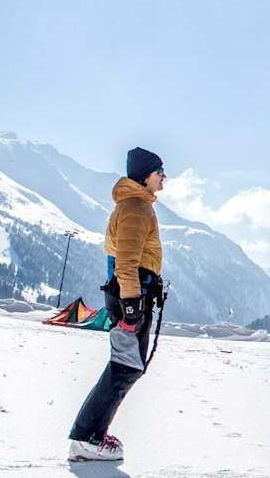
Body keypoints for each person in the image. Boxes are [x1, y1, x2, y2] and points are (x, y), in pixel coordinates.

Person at [68, 147, 168, 462]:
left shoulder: (136, 205)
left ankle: (90, 433)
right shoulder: (137, 208)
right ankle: (87, 437)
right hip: (130, 296)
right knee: (125, 366)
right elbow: (126, 260)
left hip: (130, 294)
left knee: (127, 365)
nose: (164, 177)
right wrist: (131, 304)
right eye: (159, 172)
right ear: (145, 176)